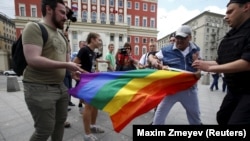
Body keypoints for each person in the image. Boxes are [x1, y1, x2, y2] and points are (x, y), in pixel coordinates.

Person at [22, 0, 83, 140]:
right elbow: (33, 59)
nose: (65, 17)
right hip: (39, 87)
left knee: (60, 124)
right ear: (49, 9)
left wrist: (73, 73)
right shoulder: (34, 27)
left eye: (66, 13)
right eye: (62, 12)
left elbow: (66, 62)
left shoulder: (62, 35)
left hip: (60, 87)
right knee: (44, 129)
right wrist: (66, 66)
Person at [192, 0, 250, 125]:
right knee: (223, 117)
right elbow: (220, 62)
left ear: (246, 7)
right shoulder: (231, 35)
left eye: (230, 12)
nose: (226, 17)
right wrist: (201, 63)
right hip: (235, 91)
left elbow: (247, 63)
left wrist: (209, 68)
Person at [149, 25, 202, 125]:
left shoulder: (196, 50)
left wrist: (199, 71)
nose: (179, 41)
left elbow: (201, 65)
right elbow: (152, 56)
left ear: (190, 38)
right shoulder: (166, 50)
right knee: (158, 117)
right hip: (171, 90)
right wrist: (155, 62)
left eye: (182, 38)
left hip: (189, 90)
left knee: (195, 118)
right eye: (177, 37)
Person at [72, 32, 105, 141]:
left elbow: (92, 66)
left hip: (91, 82)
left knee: (95, 104)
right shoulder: (84, 50)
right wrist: (82, 73)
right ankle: (87, 134)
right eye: (99, 40)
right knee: (88, 106)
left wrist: (96, 72)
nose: (100, 42)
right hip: (84, 82)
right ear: (92, 39)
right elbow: (74, 64)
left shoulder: (93, 52)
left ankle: (93, 126)